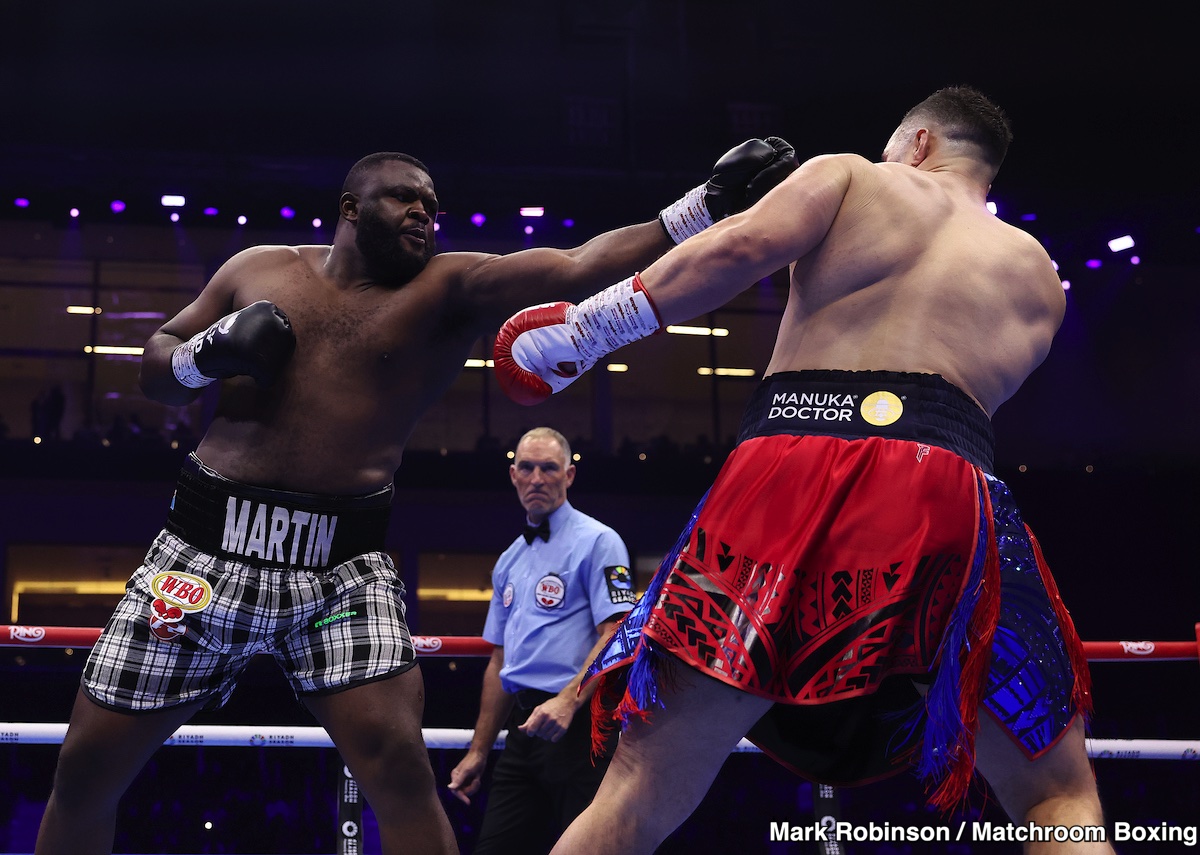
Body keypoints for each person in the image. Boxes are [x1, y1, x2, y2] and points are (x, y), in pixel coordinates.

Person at [34, 138, 797, 855]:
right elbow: (155, 364)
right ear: (350, 207)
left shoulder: (447, 289)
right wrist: (207, 355)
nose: (423, 213)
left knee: (400, 764)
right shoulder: (259, 269)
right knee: (86, 766)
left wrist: (703, 204)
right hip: (205, 550)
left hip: (339, 570)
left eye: (431, 204)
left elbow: (576, 265)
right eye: (404, 198)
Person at [495, 86, 1112, 853]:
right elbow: (953, 407)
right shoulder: (1038, 274)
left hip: (792, 463)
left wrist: (587, 329)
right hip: (954, 486)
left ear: (917, 142)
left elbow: (738, 248)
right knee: (1058, 794)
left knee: (636, 791)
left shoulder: (855, 175)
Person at [447, 427, 635, 853]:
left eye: (548, 468)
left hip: (582, 726)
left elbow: (616, 633)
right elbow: (500, 662)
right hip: (524, 729)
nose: (537, 478)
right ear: (513, 475)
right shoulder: (509, 559)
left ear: (569, 475)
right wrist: (478, 751)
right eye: (527, 468)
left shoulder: (600, 542)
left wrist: (568, 701)